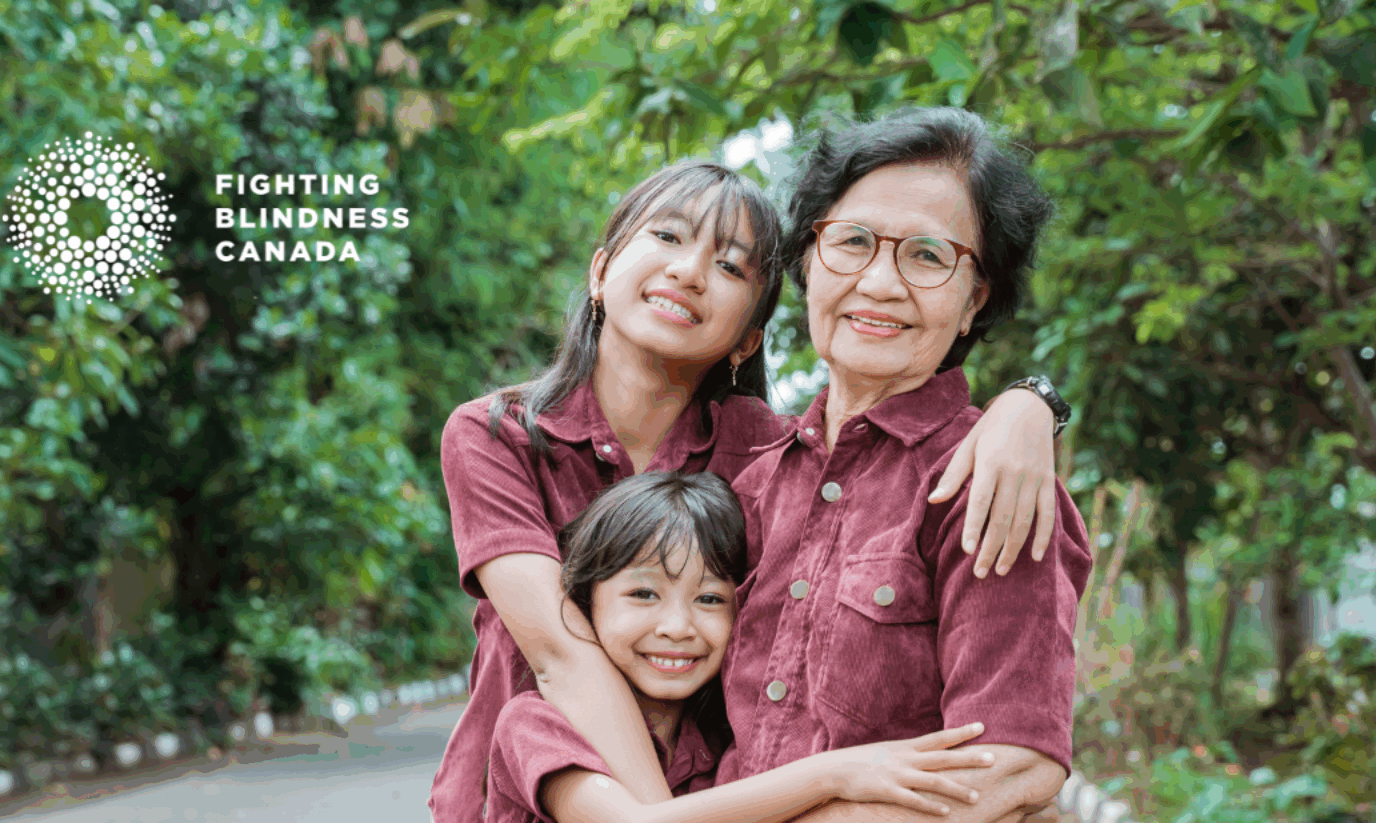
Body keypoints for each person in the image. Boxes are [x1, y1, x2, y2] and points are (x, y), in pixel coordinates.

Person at [433, 159, 1070, 823]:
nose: (689, 272)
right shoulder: (499, 434)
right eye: (668, 236)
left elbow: (1011, 762)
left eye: (732, 266)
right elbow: (563, 655)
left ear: (749, 337)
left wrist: (1029, 405)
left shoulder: (769, 456)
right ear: (599, 271)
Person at [716, 107, 1093, 823]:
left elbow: (1008, 764)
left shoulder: (987, 483)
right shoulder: (752, 480)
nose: (880, 283)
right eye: (853, 241)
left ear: (974, 299)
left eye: (926, 256)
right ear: (808, 260)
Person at [487, 471, 995, 823]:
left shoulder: (727, 742)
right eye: (643, 594)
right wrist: (834, 774)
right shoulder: (536, 724)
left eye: (710, 598)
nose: (678, 627)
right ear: (587, 601)